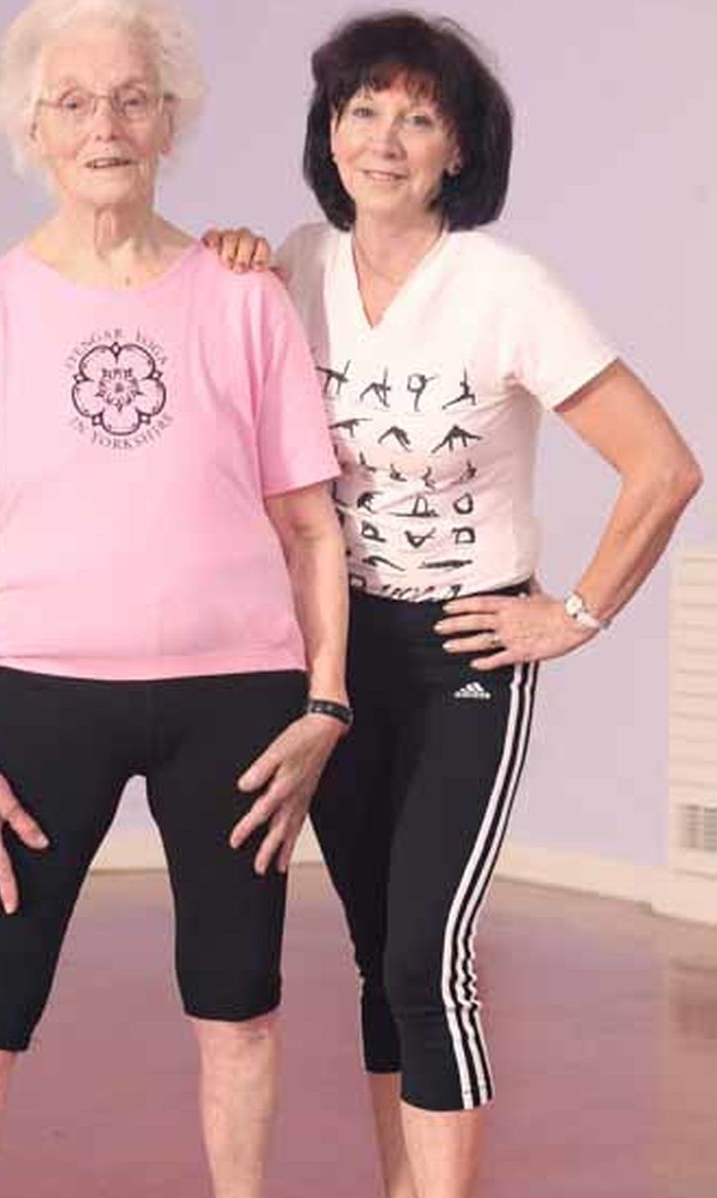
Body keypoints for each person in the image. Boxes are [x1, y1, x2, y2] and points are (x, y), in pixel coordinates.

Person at [205, 12, 702, 1198]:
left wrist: (571, 613)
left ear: (459, 151)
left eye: (417, 118)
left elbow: (664, 466)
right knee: (380, 958)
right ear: (330, 131)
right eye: (362, 111)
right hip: (329, 648)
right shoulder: (294, 261)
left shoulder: (504, 289)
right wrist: (227, 256)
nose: (384, 139)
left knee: (431, 956)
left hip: (458, 653)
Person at [0, 2, 350, 1195]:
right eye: (77, 101)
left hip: (235, 702)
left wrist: (325, 703)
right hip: (40, 703)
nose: (107, 125)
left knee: (239, 1009)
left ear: (169, 122)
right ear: (32, 126)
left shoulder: (245, 298)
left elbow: (309, 523)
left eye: (134, 99)